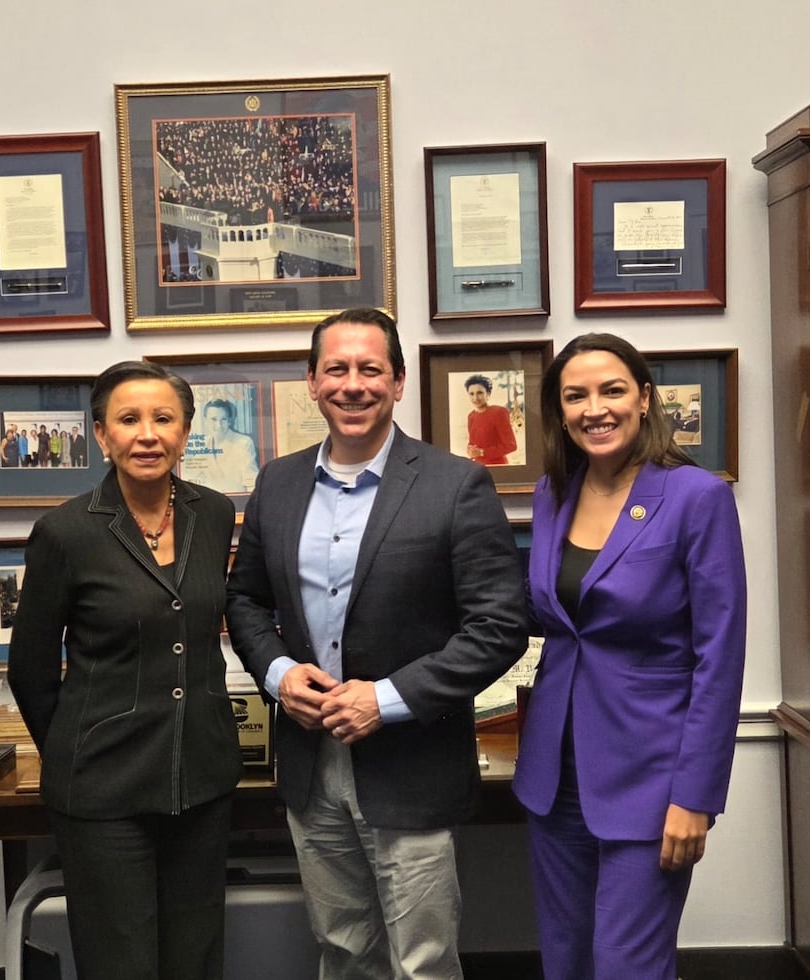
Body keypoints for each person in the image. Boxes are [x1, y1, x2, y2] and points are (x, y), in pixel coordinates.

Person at [226, 307, 528, 980]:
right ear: (312, 381)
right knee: (342, 952)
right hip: (310, 766)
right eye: (336, 369)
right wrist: (278, 675)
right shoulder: (277, 483)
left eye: (370, 369)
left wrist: (386, 699)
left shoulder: (456, 484)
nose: (352, 384)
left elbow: (500, 625)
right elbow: (244, 600)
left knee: (422, 963)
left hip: (411, 766)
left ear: (398, 383)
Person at [512, 333, 747, 980]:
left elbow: (719, 658)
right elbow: (552, 621)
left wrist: (695, 796)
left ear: (644, 398)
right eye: (575, 395)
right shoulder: (551, 495)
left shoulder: (696, 497)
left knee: (627, 968)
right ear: (560, 413)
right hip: (553, 775)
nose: (596, 408)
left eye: (612, 390)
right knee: (568, 963)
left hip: (650, 778)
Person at [7, 361, 243, 980]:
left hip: (202, 776)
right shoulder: (63, 532)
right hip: (102, 790)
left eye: (163, 419)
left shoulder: (214, 515)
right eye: (129, 419)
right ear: (103, 436)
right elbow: (31, 670)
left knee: (196, 959)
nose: (147, 434)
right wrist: (77, 751)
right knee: (122, 963)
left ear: (185, 432)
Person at [194, 398, 259, 494]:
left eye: (223, 419)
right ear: (206, 421)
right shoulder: (200, 444)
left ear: (229, 421)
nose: (219, 425)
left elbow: (251, 482)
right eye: (214, 419)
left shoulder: (243, 443)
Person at [464, 373, 517, 465]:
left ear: (488, 393)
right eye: (471, 394)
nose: (475, 398)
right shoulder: (471, 416)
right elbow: (473, 443)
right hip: (478, 467)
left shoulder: (499, 412)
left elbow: (511, 445)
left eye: (479, 393)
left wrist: (482, 452)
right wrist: (470, 450)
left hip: (497, 466)